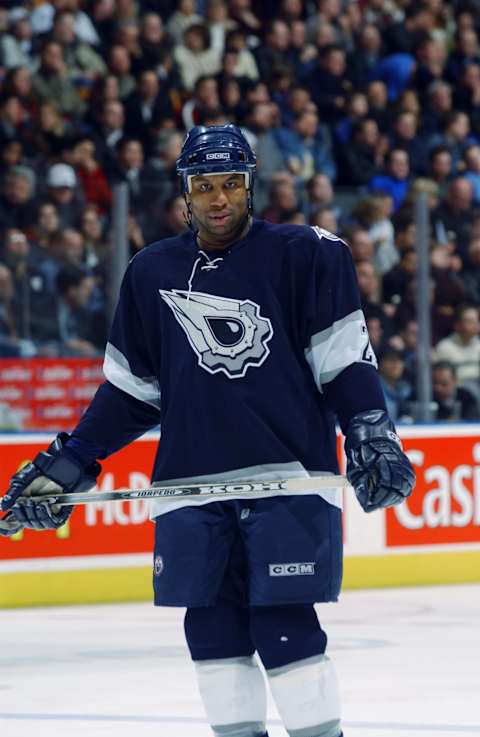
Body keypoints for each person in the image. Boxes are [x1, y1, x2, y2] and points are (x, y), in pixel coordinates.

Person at [0, 125, 415, 737]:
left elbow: (342, 359)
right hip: (189, 487)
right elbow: (132, 393)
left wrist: (370, 430)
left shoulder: (307, 254)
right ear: (185, 194)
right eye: (203, 186)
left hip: (288, 479)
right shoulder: (150, 271)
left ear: (249, 187)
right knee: (211, 632)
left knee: (286, 628)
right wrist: (71, 460)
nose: (217, 198)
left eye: (229, 184)